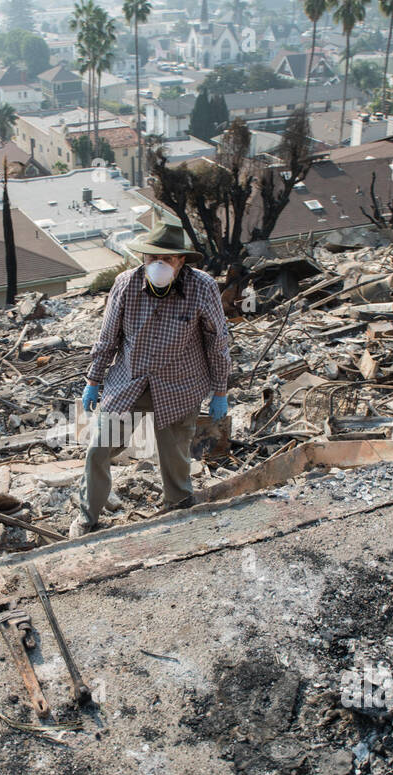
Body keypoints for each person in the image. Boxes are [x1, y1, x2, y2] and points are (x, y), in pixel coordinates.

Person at [71, 222, 231, 539]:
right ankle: (88, 516)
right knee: (98, 449)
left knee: (175, 460)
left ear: (181, 261)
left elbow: (217, 341)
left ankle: (179, 511)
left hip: (179, 385)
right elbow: (108, 336)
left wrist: (220, 390)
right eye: (151, 258)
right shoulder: (126, 284)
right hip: (129, 382)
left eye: (167, 259)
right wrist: (93, 379)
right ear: (142, 259)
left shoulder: (202, 287)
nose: (158, 265)